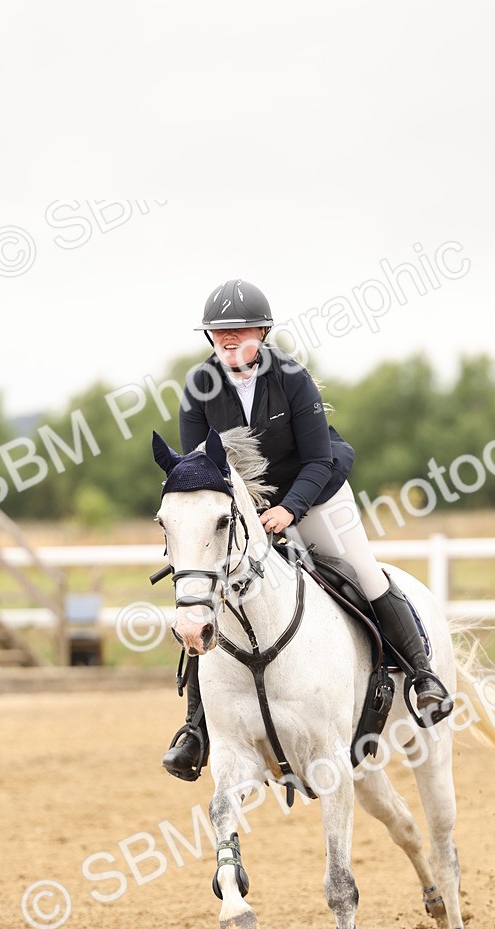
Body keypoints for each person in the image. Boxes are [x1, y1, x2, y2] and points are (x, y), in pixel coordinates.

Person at [162, 278, 453, 781]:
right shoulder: (198, 388)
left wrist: (290, 510)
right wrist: (240, 520)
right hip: (244, 509)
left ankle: (423, 676)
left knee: (364, 571)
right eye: (219, 332)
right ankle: (195, 729)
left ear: (263, 331)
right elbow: (199, 469)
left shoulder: (292, 379)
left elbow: (318, 459)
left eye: (240, 331)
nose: (229, 340)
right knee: (206, 597)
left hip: (313, 491)